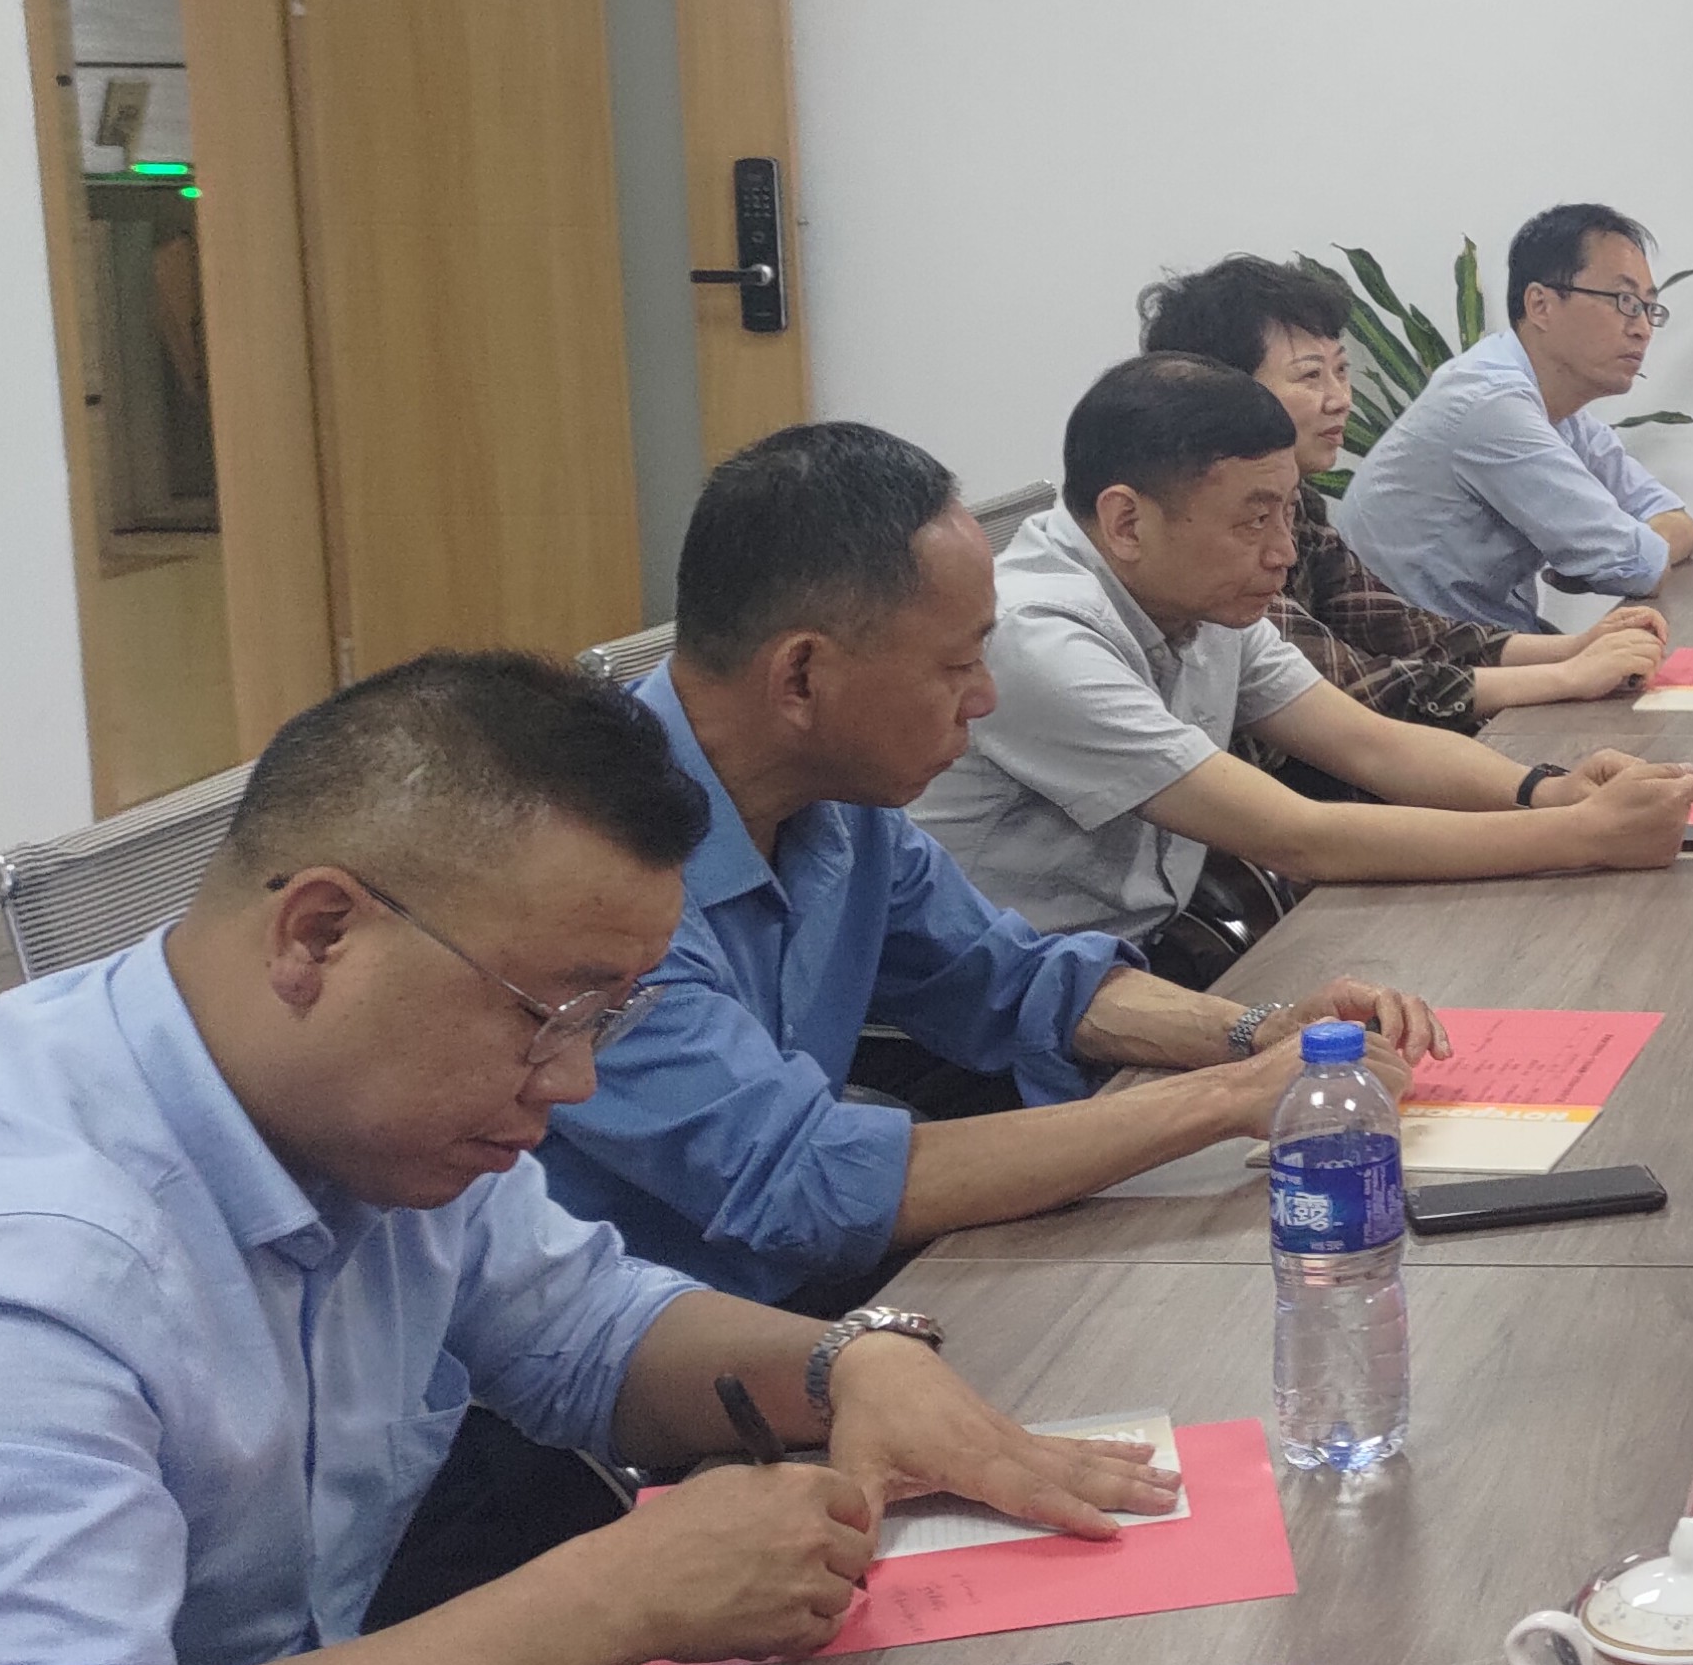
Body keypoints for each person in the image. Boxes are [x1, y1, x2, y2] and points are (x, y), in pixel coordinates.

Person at [0, 653, 1173, 1665]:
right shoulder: (35, 1260)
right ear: (318, 933)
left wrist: (850, 1362)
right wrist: (616, 1592)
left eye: (606, 1022)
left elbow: (591, 1329)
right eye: (549, 1011)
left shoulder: (367, 1119)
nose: (575, 1081)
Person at [547, 420, 1443, 1314]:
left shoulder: (841, 799)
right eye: (957, 664)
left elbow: (1012, 978)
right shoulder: (583, 871)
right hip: (638, 1351)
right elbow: (802, 1179)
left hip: (799, 1296)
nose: (983, 697)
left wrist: (1262, 1033)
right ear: (802, 678)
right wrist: (1232, 1097)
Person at [917, 355, 1693, 950]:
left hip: (1141, 954)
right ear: (1126, 523)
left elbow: (1371, 744)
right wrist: (1587, 836)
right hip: (1008, 1011)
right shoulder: (1039, 637)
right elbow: (1298, 836)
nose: (1283, 553)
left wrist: (1551, 793)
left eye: (1287, 515)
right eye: (1253, 521)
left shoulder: (1198, 597)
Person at [1135, 256, 1667, 730]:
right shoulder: (1203, 532)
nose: (1339, 399)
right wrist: (1567, 674)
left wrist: (1576, 648)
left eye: (1341, 371)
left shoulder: (1300, 504)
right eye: (1311, 376)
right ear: (1222, 391)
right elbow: (1349, 686)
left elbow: (1405, 629)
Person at [1333, 204, 1693, 633]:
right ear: (1541, 305)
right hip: (1423, 659)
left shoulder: (1560, 412)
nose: (1642, 329)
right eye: (1624, 302)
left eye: (1648, 307)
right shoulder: (1490, 404)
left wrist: (1650, 545)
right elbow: (1637, 566)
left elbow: (1670, 518)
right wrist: (1647, 547)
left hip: (1488, 640)